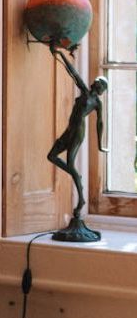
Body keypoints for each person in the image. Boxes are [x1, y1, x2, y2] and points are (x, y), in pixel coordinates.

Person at [47, 46, 108, 218]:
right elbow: (73, 73)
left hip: (78, 131)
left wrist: (100, 145)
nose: (94, 82)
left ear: (101, 87)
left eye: (98, 82)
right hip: (70, 129)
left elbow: (100, 123)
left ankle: (81, 198)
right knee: (51, 156)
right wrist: (60, 55)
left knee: (70, 162)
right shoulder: (84, 92)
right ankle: (76, 176)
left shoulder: (96, 102)